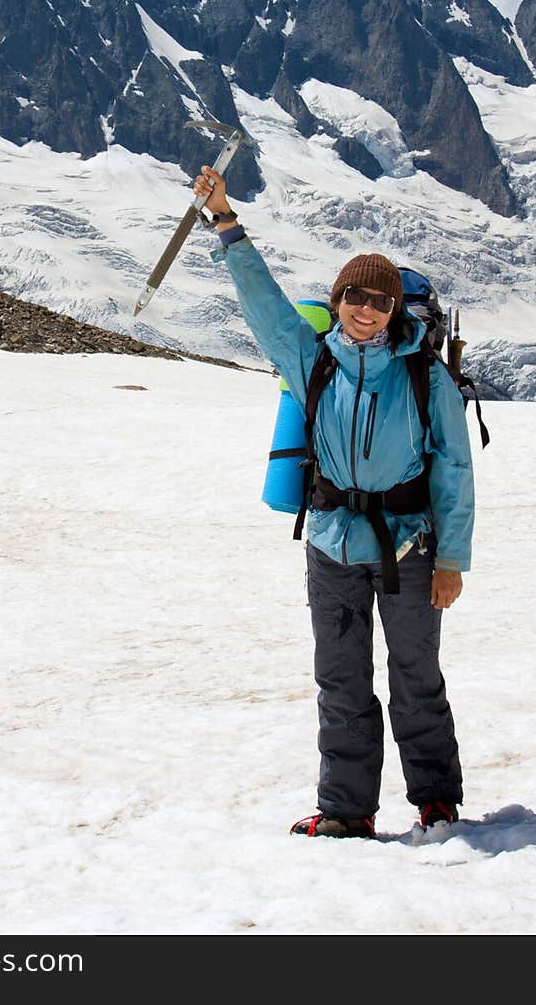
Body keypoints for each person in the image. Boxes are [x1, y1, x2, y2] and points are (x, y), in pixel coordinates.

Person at [194, 164, 474, 839]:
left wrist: (452, 560)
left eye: (379, 301)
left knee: (415, 677)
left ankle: (435, 798)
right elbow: (262, 303)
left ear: (393, 309)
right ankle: (348, 809)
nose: (365, 309)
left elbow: (455, 469)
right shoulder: (309, 357)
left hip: (410, 544)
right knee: (341, 682)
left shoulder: (422, 373)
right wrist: (226, 222)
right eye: (355, 297)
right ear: (340, 298)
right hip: (329, 542)